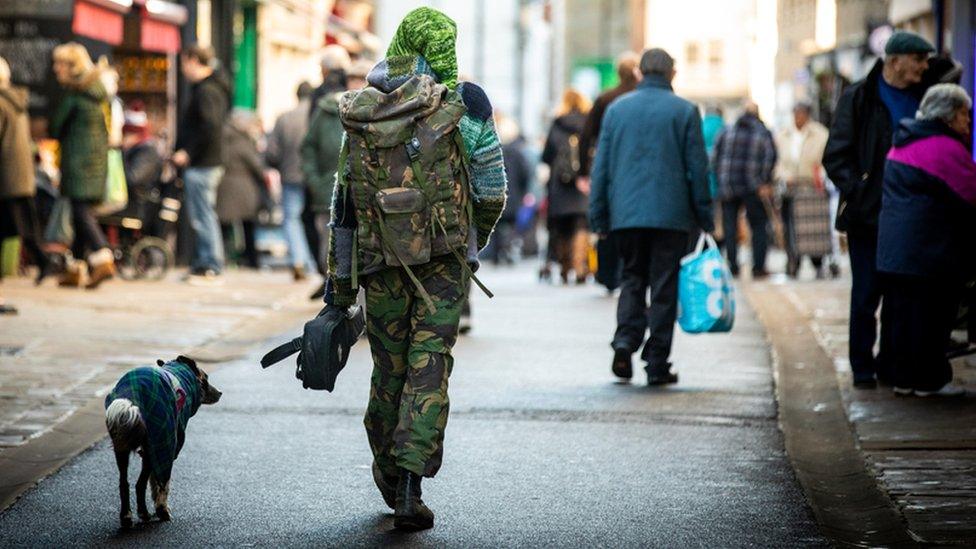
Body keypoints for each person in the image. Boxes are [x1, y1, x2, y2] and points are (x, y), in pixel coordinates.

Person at [325, 7, 506, 530]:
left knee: (389, 368)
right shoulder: (467, 104)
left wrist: (339, 288)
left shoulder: (366, 106)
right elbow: (491, 190)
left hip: (379, 262)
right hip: (443, 266)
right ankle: (410, 483)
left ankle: (387, 470)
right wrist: (472, 242)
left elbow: (345, 205)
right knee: (430, 365)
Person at [589, 48, 713, 385]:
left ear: (641, 73)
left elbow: (601, 168)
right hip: (671, 217)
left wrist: (598, 214)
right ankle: (657, 362)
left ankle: (625, 342)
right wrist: (705, 215)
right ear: (672, 74)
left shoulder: (617, 110)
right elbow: (698, 170)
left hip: (626, 216)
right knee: (663, 286)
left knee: (632, 278)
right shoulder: (686, 111)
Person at [822, 30, 935, 389]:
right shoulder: (860, 96)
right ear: (895, 60)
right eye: (918, 60)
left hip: (911, 216)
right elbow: (835, 154)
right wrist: (861, 187)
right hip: (869, 215)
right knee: (867, 294)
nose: (923, 66)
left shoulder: (924, 96)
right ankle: (862, 367)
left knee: (900, 297)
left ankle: (891, 365)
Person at [878, 84, 975, 397]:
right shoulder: (943, 148)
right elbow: (971, 194)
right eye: (963, 114)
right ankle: (929, 380)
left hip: (896, 248)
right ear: (947, 116)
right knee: (931, 317)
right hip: (928, 249)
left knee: (903, 317)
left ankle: (903, 378)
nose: (968, 122)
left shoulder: (904, 141)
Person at [49, 43, 116, 289]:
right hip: (95, 163)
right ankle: (75, 269)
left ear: (71, 66)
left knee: (81, 211)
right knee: (80, 214)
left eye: (59, 64)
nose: (55, 69)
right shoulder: (96, 93)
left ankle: (102, 257)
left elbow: (56, 127)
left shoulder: (76, 94)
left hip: (78, 163)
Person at [578, 51, 640, 292]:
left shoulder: (605, 99)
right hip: (635, 167)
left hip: (609, 166)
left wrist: (584, 171)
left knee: (606, 219)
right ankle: (628, 270)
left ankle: (607, 273)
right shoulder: (640, 98)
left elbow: (586, 136)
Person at [301, 60, 360, 300]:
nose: (358, 84)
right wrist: (314, 180)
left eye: (362, 79)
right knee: (330, 248)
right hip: (329, 190)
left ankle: (357, 304)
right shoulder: (327, 110)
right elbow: (308, 147)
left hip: (364, 193)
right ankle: (337, 297)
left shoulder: (378, 111)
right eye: (354, 79)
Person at [173, 45, 231, 284]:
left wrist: (188, 151)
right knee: (202, 213)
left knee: (203, 214)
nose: (182, 68)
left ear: (194, 60)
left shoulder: (207, 91)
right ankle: (204, 262)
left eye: (184, 62)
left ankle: (210, 264)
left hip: (203, 163)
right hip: (206, 162)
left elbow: (210, 126)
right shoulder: (211, 88)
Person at [0, 56, 53, 314]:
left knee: (19, 231)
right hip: (19, 178)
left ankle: (44, 261)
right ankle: (43, 261)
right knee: (23, 230)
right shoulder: (16, 100)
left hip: (5, 180)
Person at [712, 101, 777, 279]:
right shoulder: (763, 132)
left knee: (730, 227)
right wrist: (764, 180)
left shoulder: (727, 130)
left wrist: (721, 178)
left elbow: (715, 157)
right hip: (753, 186)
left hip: (728, 185)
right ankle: (758, 267)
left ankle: (733, 266)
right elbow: (770, 157)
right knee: (758, 225)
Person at [774, 101, 831, 278]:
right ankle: (793, 260)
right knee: (790, 226)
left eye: (801, 113)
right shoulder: (783, 135)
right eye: (795, 113)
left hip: (813, 186)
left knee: (815, 228)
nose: (798, 117)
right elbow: (778, 163)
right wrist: (784, 176)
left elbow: (826, 160)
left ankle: (818, 261)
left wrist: (819, 175)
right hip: (790, 188)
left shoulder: (820, 134)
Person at [266, 82, 316, 281]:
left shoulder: (284, 118)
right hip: (314, 177)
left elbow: (272, 152)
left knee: (291, 219)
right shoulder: (315, 115)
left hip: (290, 175)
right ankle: (313, 263)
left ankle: (298, 260)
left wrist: (281, 165)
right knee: (315, 220)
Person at [541, 88, 591, 284]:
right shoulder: (589, 122)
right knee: (581, 225)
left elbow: (546, 156)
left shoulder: (557, 123)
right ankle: (580, 267)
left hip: (559, 184)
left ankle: (564, 267)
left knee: (561, 227)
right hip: (582, 182)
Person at [216, 109, 266, 269]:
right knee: (248, 225)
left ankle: (221, 257)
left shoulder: (225, 137)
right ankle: (252, 260)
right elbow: (256, 164)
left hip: (225, 185)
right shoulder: (242, 140)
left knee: (224, 225)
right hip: (243, 187)